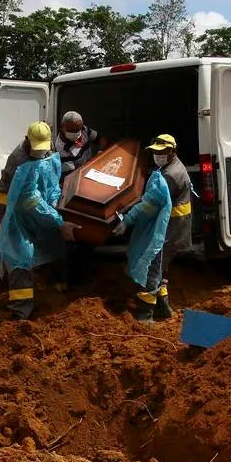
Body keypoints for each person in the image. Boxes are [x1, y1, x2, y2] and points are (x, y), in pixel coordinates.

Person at [0, 121, 79, 319]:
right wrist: (58, 222)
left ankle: (58, 287)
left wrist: (54, 201)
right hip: (14, 206)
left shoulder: (49, 149)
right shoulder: (19, 161)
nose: (40, 153)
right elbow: (29, 200)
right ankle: (21, 312)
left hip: (39, 204)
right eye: (37, 149)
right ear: (28, 141)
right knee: (21, 253)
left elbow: (51, 178)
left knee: (52, 240)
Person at [113, 134, 192, 322]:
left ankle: (144, 316)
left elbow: (150, 204)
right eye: (155, 152)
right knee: (162, 268)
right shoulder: (170, 167)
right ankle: (163, 310)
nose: (157, 156)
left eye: (162, 152)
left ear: (172, 152)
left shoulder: (171, 176)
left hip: (171, 230)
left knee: (152, 269)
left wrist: (127, 219)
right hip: (175, 227)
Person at [54, 111, 103, 179]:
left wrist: (100, 152)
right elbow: (70, 175)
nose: (76, 133)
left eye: (78, 130)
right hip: (80, 175)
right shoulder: (61, 147)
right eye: (72, 130)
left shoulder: (84, 129)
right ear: (62, 127)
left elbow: (101, 139)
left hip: (91, 167)